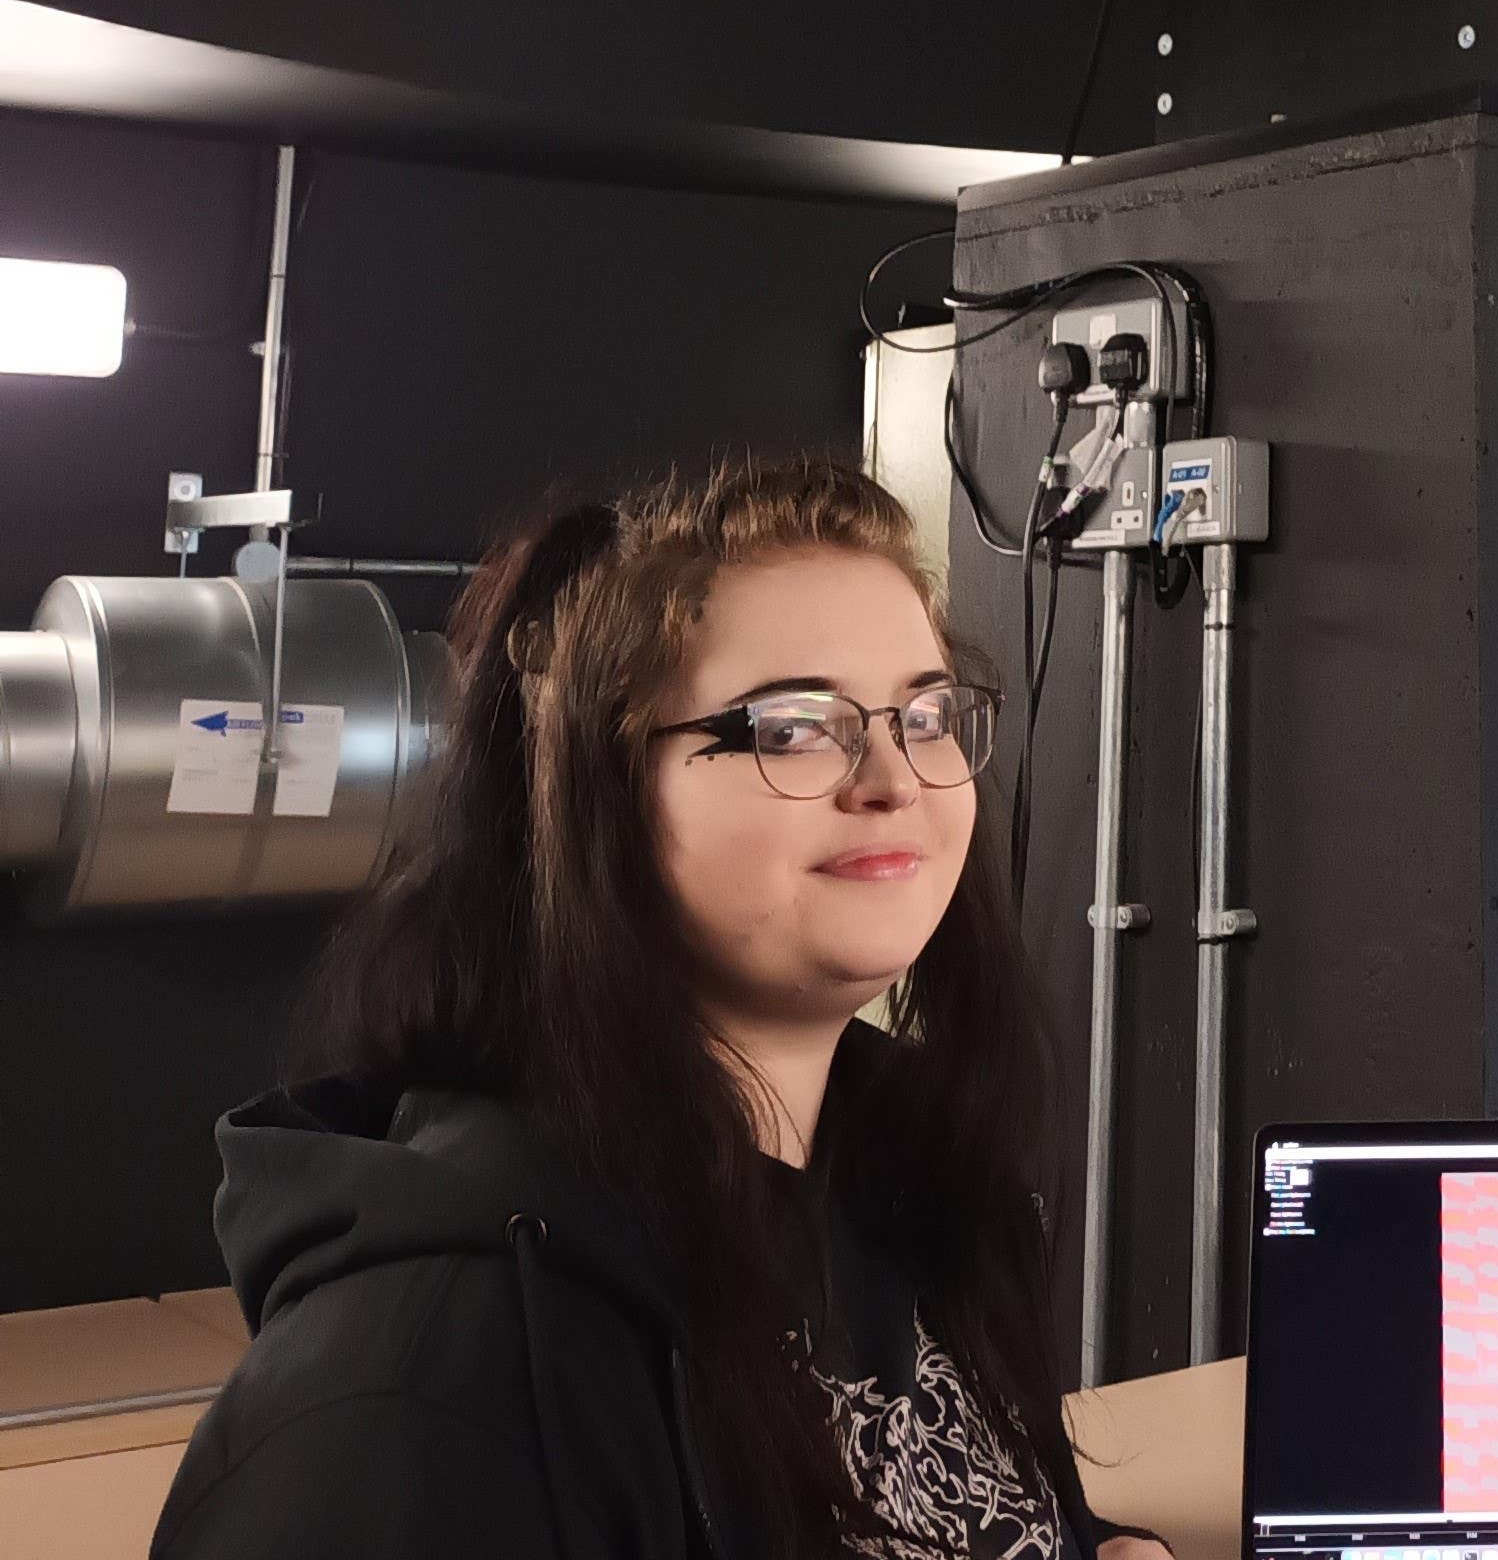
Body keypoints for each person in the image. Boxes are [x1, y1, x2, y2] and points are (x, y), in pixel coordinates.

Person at [154, 460, 1169, 1560]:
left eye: (923, 713)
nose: (894, 777)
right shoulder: (422, 1370)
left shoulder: (936, 1203)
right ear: (598, 794)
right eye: (791, 725)